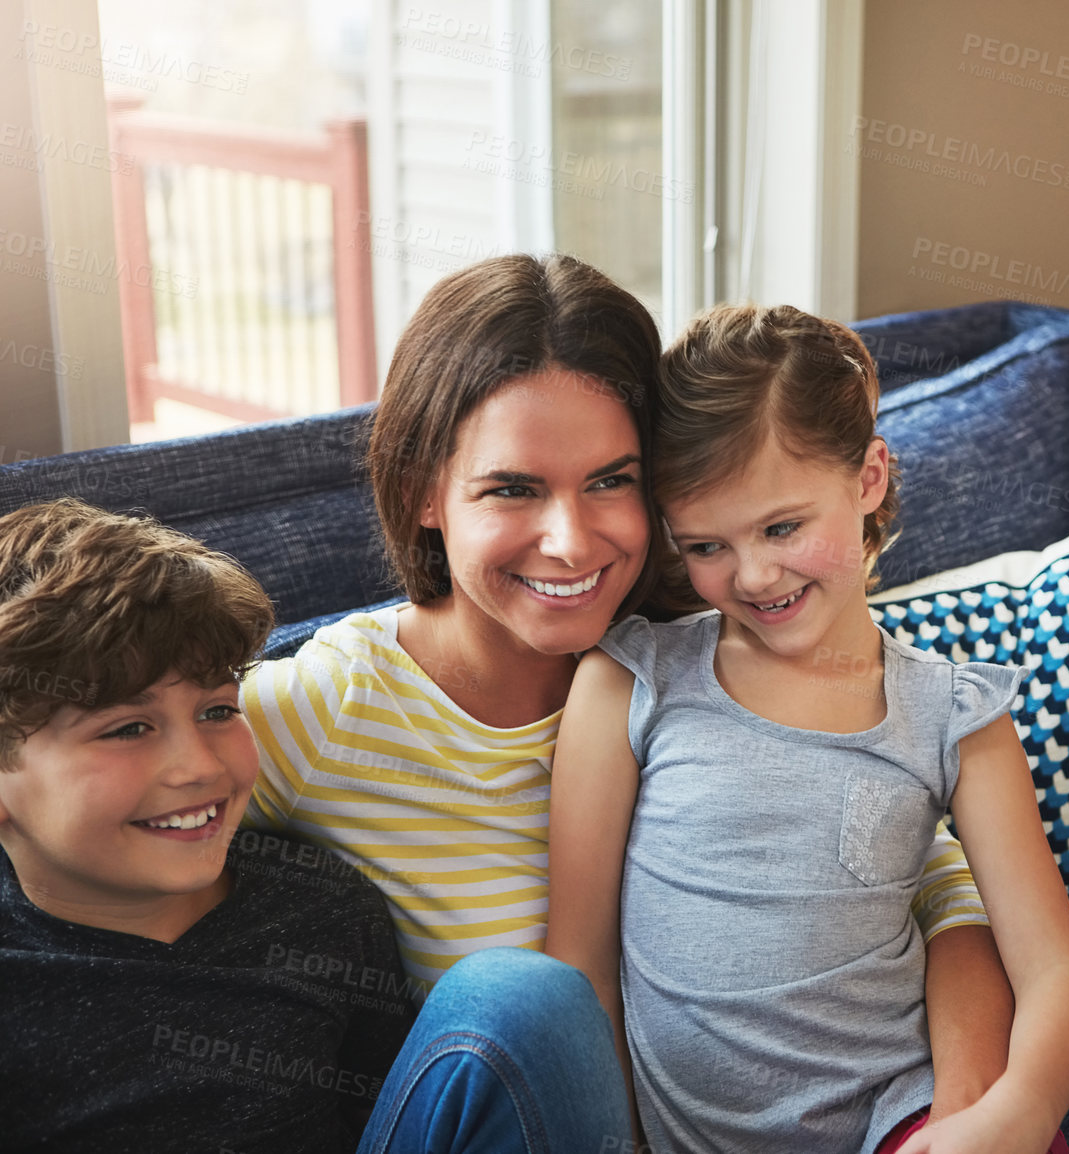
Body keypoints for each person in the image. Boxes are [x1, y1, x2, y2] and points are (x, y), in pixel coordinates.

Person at [240, 255, 1019, 1119]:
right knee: (522, 997)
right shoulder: (328, 708)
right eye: (512, 489)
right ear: (428, 492)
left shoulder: (723, 662)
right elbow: (96, 811)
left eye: (611, 480)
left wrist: (972, 1109)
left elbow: (934, 883)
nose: (571, 544)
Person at [545, 303, 1069, 1154]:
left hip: (901, 1123)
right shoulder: (629, 682)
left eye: (782, 527)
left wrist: (1012, 1115)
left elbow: (1059, 977)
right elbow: (578, 970)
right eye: (705, 547)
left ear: (869, 477)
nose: (754, 574)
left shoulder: (952, 715)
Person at [0, 498, 632, 1154]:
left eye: (217, 711)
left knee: (521, 992)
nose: (198, 766)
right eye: (128, 728)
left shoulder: (326, 914)